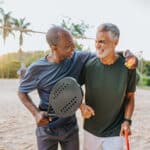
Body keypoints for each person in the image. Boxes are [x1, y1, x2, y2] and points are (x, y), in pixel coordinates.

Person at [18, 26, 137, 150]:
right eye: (67, 46)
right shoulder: (37, 68)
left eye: (72, 44)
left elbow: (106, 52)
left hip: (70, 128)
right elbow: (22, 92)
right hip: (46, 128)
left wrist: (127, 54)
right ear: (54, 47)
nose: (73, 49)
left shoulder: (77, 58)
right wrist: (36, 113)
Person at [80, 23, 136, 150]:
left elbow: (130, 97)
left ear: (115, 42)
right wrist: (81, 105)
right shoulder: (89, 65)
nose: (97, 45)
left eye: (102, 42)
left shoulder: (128, 67)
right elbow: (74, 88)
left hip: (115, 131)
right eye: (96, 41)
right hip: (91, 130)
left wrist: (127, 121)